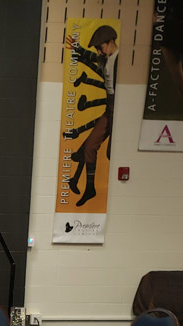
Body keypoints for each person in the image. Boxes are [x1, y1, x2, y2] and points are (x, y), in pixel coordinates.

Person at [63, 26, 119, 207]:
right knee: (89, 146)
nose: (99, 51)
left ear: (111, 43)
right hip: (109, 109)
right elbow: (94, 58)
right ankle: (90, 188)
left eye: (100, 47)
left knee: (112, 153)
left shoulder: (120, 60)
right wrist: (79, 49)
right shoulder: (107, 59)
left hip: (118, 110)